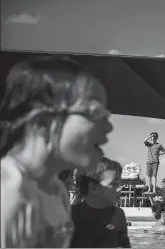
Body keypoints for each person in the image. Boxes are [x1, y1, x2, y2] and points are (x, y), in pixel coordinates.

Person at [0, 55, 113, 247]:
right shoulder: (8, 194)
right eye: (95, 112)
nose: (109, 127)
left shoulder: (56, 191)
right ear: (43, 123)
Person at [70, 157, 131, 248]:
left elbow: (124, 245)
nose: (120, 188)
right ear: (93, 188)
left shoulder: (118, 215)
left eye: (120, 183)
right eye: (114, 184)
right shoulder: (71, 215)